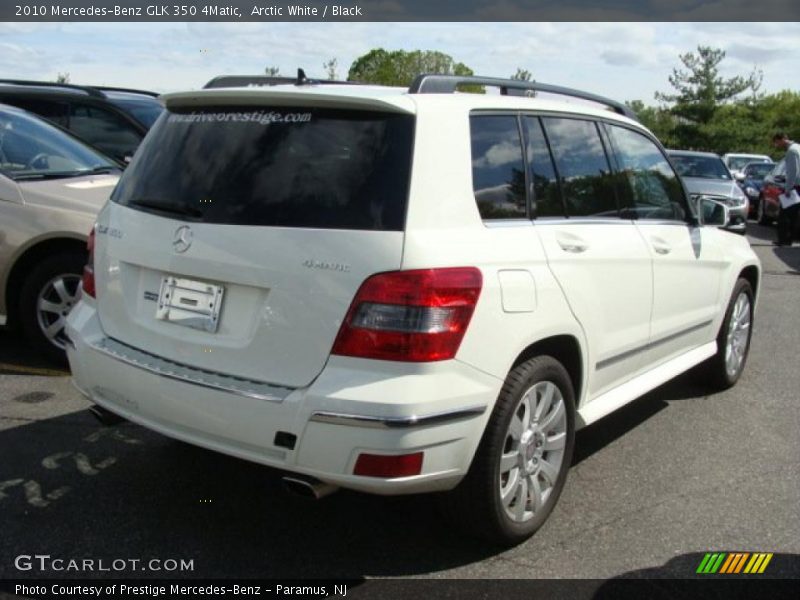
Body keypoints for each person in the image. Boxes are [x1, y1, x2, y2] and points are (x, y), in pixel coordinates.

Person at [771, 132, 800, 246]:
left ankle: (784, 240)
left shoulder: (791, 151)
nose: (777, 145)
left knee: (785, 214)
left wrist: (788, 188)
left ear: (782, 139)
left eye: (777, 143)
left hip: (795, 186)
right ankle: (789, 239)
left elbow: (793, 171)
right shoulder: (798, 147)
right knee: (793, 215)